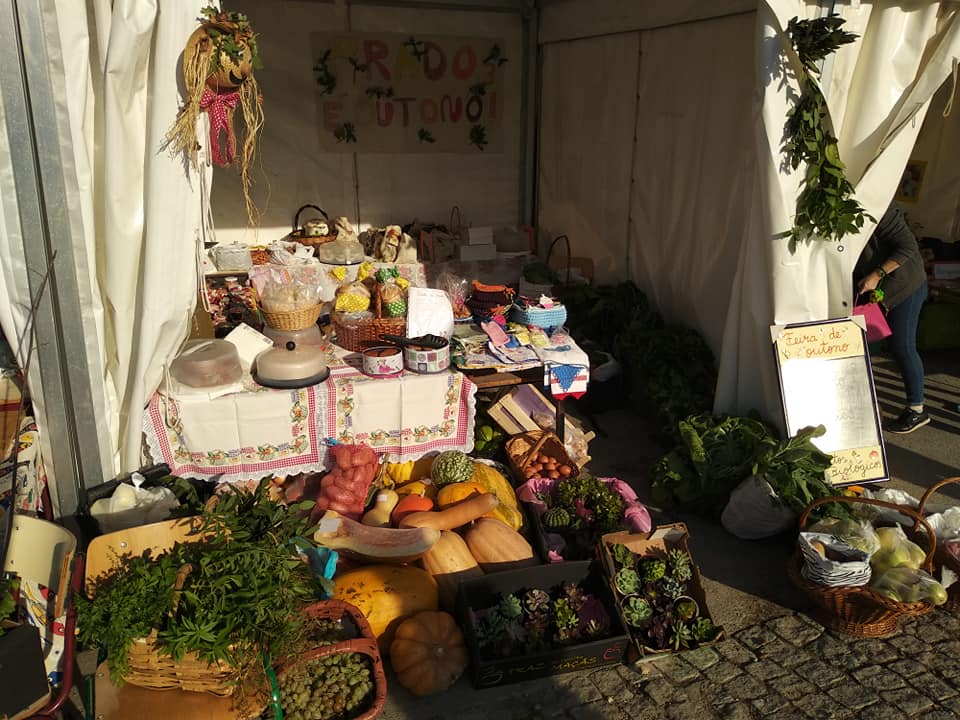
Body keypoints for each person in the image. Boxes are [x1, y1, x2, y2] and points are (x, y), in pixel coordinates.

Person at [854, 204, 929, 434]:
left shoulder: (879, 206)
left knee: (902, 346)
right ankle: (865, 405)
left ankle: (917, 410)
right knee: (858, 344)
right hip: (873, 288)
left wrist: (877, 275)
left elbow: (908, 246)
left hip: (905, 286)